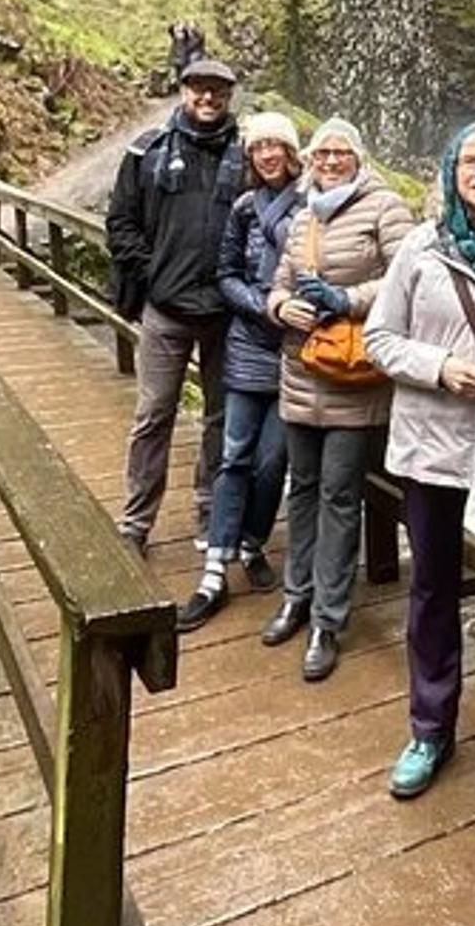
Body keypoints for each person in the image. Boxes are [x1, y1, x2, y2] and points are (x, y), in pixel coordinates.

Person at [365, 122, 475, 809]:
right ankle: (429, 728)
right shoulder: (420, 247)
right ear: (450, 171)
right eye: (469, 160)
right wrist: (439, 367)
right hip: (431, 443)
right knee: (432, 590)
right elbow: (379, 337)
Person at [260, 119, 414, 682]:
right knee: (300, 488)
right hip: (302, 369)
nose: (329, 160)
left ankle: (328, 618)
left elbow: (406, 275)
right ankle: (295, 596)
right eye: (321, 152)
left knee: (340, 494)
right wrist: (281, 308)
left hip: (352, 377)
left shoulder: (385, 207)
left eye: (339, 152)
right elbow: (278, 281)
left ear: (357, 157)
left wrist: (346, 299)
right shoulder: (303, 215)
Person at [105, 53, 246, 553]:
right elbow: (120, 222)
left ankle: (209, 514)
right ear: (183, 91)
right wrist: (154, 274)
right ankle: (136, 520)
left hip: (227, 312)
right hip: (166, 309)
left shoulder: (248, 154)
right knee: (154, 413)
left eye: (218, 90)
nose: (207, 98)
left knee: (220, 417)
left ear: (230, 96)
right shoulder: (147, 151)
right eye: (198, 89)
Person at [179, 111, 305, 631]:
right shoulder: (245, 208)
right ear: (251, 156)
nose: (268, 154)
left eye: (276, 146)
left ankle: (251, 542)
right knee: (233, 455)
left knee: (273, 461)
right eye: (259, 148)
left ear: (291, 152)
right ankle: (215, 568)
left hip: (296, 351)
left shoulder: (312, 204)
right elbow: (225, 273)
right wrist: (261, 306)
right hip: (249, 343)